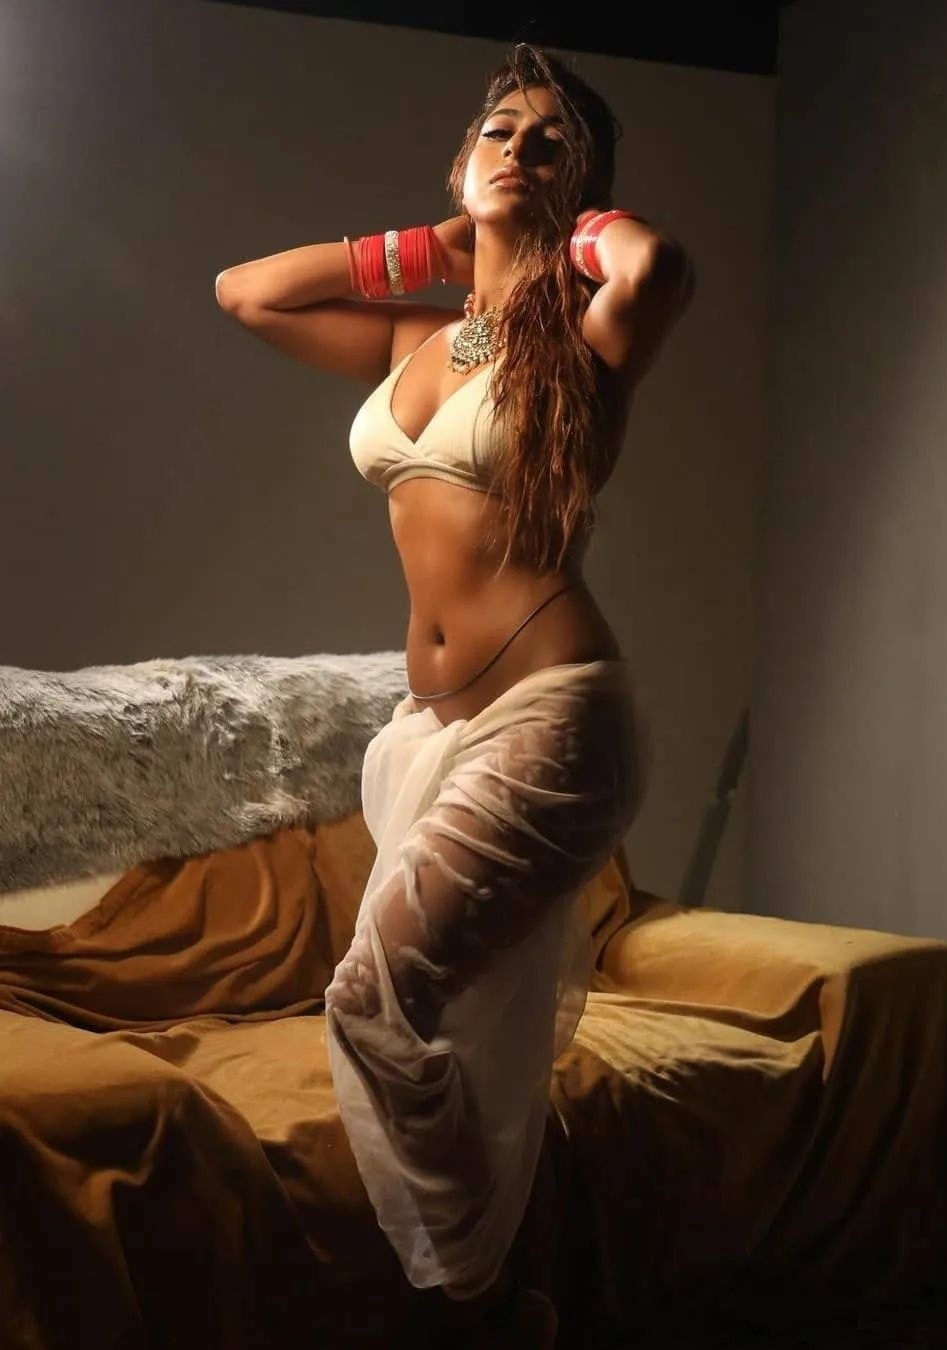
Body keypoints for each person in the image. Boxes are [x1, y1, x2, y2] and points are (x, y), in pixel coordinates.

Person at [214, 42, 693, 1349]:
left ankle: (484, 1314)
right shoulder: (418, 337)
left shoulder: (585, 335)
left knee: (374, 1002)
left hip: (553, 714)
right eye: (499, 130)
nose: (519, 149)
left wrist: (564, 225)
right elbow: (246, 291)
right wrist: (434, 244)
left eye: (552, 142)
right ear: (457, 160)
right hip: (433, 732)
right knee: (457, 1039)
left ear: (584, 185)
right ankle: (508, 1294)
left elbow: (655, 265)